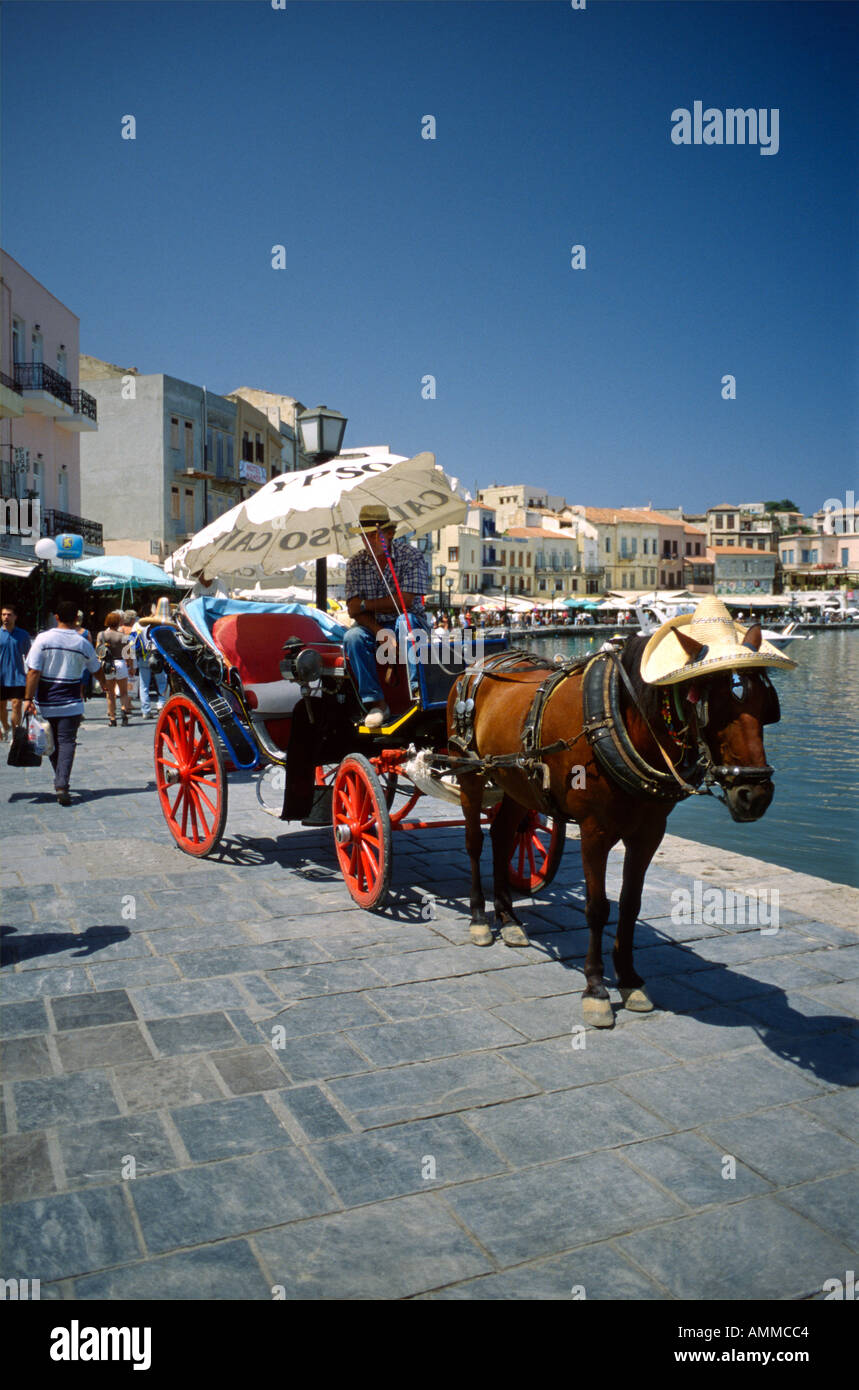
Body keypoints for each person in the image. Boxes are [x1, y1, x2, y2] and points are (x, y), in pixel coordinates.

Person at [344, 504, 430, 728]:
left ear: (389, 534)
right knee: (352, 637)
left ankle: (417, 692)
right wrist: (380, 632)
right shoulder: (354, 564)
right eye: (365, 536)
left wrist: (365, 604)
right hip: (374, 627)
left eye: (374, 535)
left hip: (411, 623)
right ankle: (377, 703)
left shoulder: (411, 556)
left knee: (405, 621)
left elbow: (407, 602)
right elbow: (353, 611)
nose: (369, 541)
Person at [23, 599, 103, 805]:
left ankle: (61, 780)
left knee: (53, 743)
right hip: (72, 702)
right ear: (76, 619)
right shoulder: (82, 642)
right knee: (67, 742)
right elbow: (96, 668)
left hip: (46, 701)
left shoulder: (42, 639)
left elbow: (33, 671)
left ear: (56, 617)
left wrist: (27, 699)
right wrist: (106, 685)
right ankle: (61, 782)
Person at [132, 597, 173, 718]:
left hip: (142, 657)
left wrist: (131, 662)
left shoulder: (136, 626)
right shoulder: (160, 624)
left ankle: (145, 710)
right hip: (157, 657)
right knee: (162, 682)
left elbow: (130, 643)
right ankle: (161, 705)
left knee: (144, 685)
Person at [0, 605, 32, 741]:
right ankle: (6, 726)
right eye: (4, 614)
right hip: (1, 677)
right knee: (1, 706)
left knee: (16, 705)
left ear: (15, 617)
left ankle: (15, 735)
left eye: (9, 614)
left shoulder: (23, 635)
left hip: (17, 677)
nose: (6, 617)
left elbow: (30, 656)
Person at [96, 611, 132, 726]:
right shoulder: (123, 636)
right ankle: (123, 710)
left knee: (110, 693)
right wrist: (130, 666)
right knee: (124, 692)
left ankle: (112, 718)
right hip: (120, 663)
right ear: (118, 623)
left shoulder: (101, 635)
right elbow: (128, 654)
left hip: (107, 665)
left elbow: (98, 652)